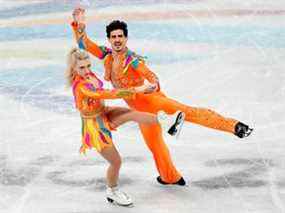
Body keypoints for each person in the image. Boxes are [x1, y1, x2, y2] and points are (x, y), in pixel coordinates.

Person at [70, 8, 253, 186]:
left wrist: (153, 85)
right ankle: (170, 177)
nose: (117, 40)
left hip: (154, 102)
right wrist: (80, 25)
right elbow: (84, 44)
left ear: (126, 38)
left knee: (190, 113)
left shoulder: (132, 59)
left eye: (120, 36)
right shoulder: (108, 56)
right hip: (140, 112)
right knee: (155, 145)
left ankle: (234, 126)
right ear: (109, 39)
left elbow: (149, 74)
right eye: (114, 36)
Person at [65, 47, 185, 206]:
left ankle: (169, 123)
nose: (87, 70)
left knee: (132, 113)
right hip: (94, 126)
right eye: (82, 67)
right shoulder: (81, 86)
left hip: (103, 112)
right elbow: (108, 94)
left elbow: (89, 47)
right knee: (116, 162)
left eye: (88, 66)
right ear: (73, 68)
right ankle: (112, 191)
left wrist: (80, 30)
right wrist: (138, 89)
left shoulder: (89, 76)